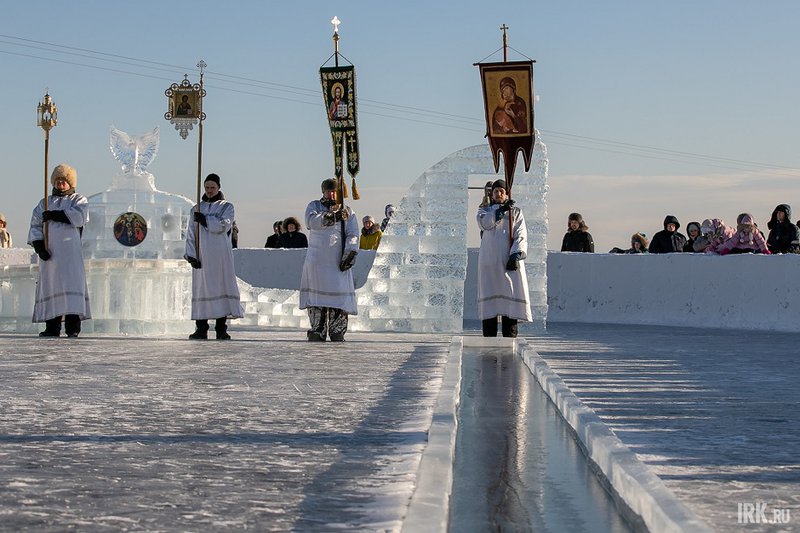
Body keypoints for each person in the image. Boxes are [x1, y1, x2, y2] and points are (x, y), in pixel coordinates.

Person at [27, 164, 91, 337]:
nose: (61, 183)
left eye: (64, 180)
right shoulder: (45, 203)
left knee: (72, 286)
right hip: (52, 255)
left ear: (70, 183)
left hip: (70, 254)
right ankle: (52, 327)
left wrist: (55, 215)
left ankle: (72, 328)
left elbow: (80, 217)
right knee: (51, 286)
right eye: (58, 180)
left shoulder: (78, 199)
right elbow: (35, 225)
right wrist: (40, 247)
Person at [184, 173, 243, 340]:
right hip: (202, 254)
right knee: (201, 289)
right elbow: (190, 233)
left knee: (220, 287)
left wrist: (206, 221)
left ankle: (220, 328)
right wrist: (191, 254)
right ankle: (201, 328)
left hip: (220, 256)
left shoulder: (226, 206)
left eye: (213, 188)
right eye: (207, 188)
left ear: (218, 188)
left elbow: (225, 225)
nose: (209, 191)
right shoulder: (196, 208)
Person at [299, 178, 359, 342]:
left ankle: (337, 329)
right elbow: (311, 222)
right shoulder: (314, 206)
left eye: (334, 191)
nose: (331, 194)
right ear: (323, 192)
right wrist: (333, 217)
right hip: (317, 261)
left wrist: (350, 252)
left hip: (337, 261)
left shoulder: (348, 211)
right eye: (328, 191)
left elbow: (353, 233)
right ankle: (317, 329)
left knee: (338, 297)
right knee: (317, 299)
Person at [476, 179, 532, 338]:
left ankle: (510, 337)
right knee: (490, 305)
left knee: (510, 301)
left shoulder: (516, 212)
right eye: (495, 191)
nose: (498, 194)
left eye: (501, 191)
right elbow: (485, 224)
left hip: (508, 262)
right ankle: (489, 339)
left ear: (507, 193)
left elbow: (521, 235)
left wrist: (515, 255)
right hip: (490, 263)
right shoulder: (484, 210)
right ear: (491, 194)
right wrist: (500, 212)